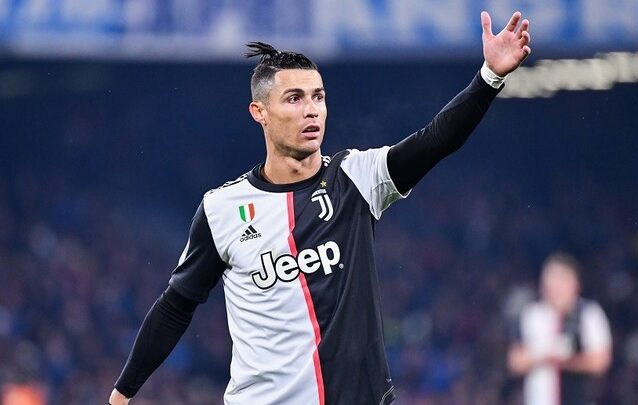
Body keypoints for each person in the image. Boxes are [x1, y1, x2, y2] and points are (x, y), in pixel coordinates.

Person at [108, 10, 532, 405]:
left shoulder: (356, 178)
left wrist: (489, 76)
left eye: (318, 97)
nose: (311, 110)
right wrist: (122, 394)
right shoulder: (222, 208)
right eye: (294, 98)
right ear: (260, 112)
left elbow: (435, 140)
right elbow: (176, 305)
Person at [507, 253, 612, 405]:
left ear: (574, 283)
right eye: (550, 280)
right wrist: (544, 357)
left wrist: (564, 361)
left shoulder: (588, 313)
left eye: (560, 279)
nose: (554, 286)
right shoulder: (531, 315)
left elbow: (600, 361)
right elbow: (515, 362)